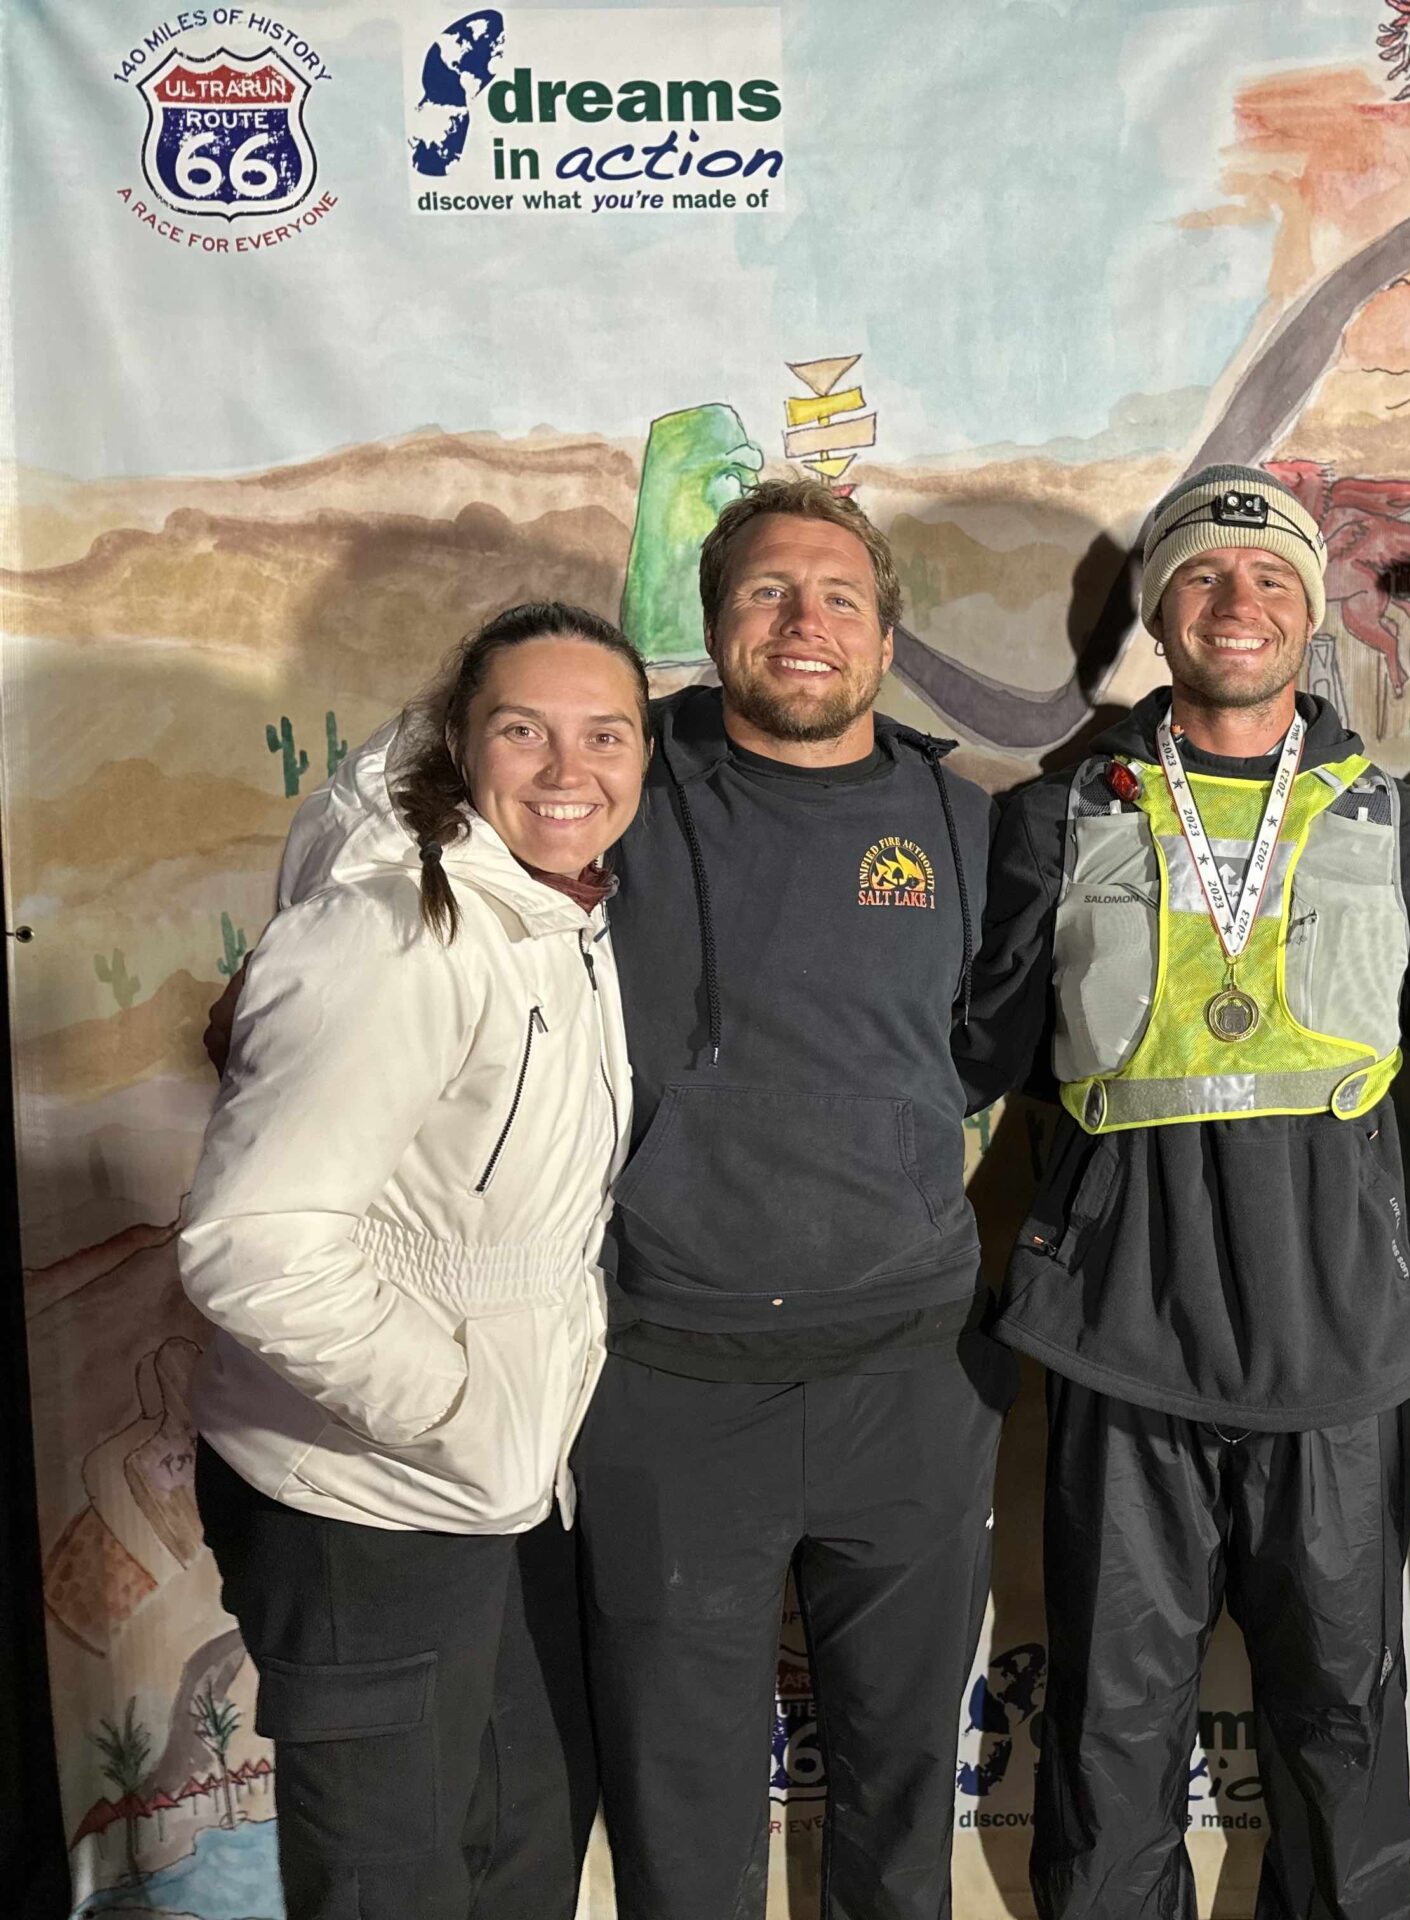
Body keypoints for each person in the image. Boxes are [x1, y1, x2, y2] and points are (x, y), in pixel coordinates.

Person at [272, 479, 1005, 1920]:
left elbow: (992, 1044)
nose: (803, 623)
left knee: (906, 1786)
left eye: (839, 597)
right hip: (670, 1387)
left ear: (885, 636)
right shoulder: (609, 781)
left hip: (912, 1380)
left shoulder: (969, 823)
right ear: (709, 625)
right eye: (765, 593)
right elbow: (411, 811)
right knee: (682, 1808)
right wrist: (286, 963)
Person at [959, 464, 1410, 1920]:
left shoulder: (1404, 828)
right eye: (1202, 574)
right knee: (1111, 1727)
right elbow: (984, 1055)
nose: (1238, 601)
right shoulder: (1053, 823)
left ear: (1311, 615)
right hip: (1123, 1343)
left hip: (1341, 1348)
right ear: (1159, 611)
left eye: (1271, 578)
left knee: (1342, 1725)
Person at [184, 602, 650, 1917]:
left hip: (498, 1495)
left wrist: (504, 1434)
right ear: (460, 740)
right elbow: (252, 1248)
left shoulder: (557, 912)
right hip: (364, 1504)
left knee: (518, 1852)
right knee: (390, 1886)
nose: (569, 771)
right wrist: (456, 1408)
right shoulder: (395, 931)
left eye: (606, 735)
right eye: (525, 731)